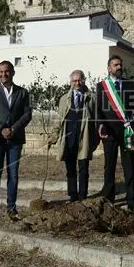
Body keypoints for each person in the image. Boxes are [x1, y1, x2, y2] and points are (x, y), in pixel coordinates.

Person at [0, 60, 33, 219]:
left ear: (13, 72)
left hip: (15, 139)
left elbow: (27, 114)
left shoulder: (23, 92)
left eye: (7, 71)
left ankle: (12, 208)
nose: (4, 74)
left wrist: (13, 129)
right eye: (1, 72)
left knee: (13, 174)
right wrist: (1, 129)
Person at [95, 55, 134, 212]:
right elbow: (98, 108)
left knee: (129, 166)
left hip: (127, 131)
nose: (119, 67)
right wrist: (100, 125)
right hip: (109, 133)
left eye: (120, 64)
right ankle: (109, 201)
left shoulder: (130, 84)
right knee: (109, 166)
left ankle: (132, 202)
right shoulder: (101, 86)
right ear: (109, 68)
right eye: (115, 65)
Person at [47, 70, 99, 202]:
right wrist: (53, 136)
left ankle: (83, 196)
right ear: (70, 82)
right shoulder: (64, 99)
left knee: (83, 169)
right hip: (69, 137)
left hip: (85, 137)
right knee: (70, 169)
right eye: (74, 81)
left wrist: (96, 139)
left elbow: (97, 120)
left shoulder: (92, 98)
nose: (77, 83)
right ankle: (73, 195)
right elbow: (59, 119)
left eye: (79, 80)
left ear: (84, 80)